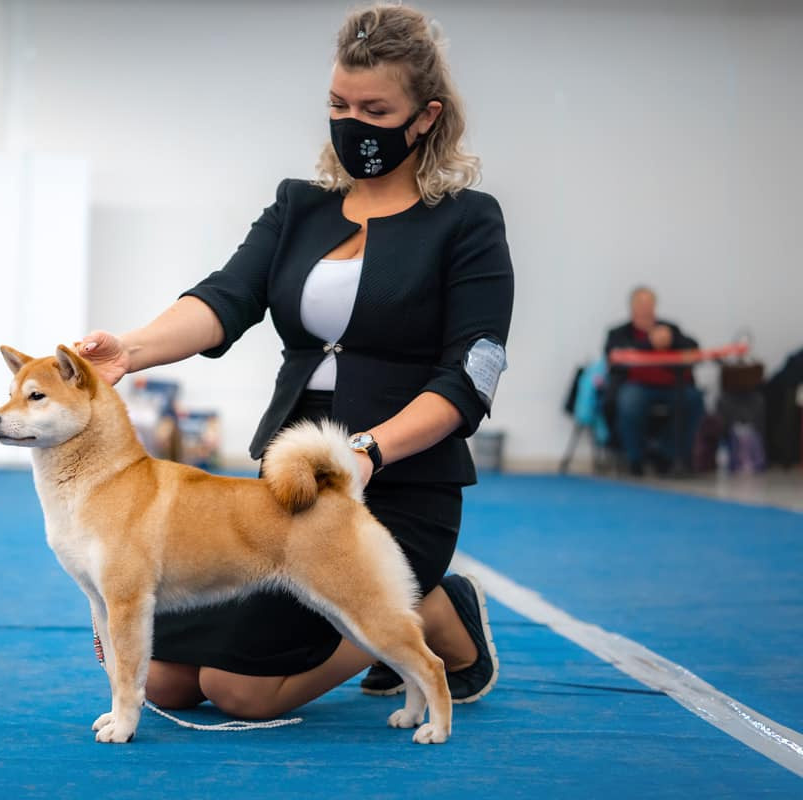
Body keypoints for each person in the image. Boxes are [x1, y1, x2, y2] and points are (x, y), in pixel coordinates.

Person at [77, 3, 514, 719]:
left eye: (375, 108)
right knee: (162, 681)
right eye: (339, 104)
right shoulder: (299, 205)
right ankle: (416, 602)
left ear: (426, 116)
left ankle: (423, 618)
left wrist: (369, 452)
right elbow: (224, 299)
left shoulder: (468, 222)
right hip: (288, 493)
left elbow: (470, 374)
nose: (351, 122)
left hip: (399, 485)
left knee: (238, 691)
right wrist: (131, 348)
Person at [604, 286, 704, 476]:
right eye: (641, 304)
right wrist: (650, 343)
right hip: (636, 386)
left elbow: (693, 347)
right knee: (630, 400)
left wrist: (671, 340)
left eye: (649, 304)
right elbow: (614, 357)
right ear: (632, 307)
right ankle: (635, 458)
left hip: (671, 385)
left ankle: (667, 454)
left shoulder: (669, 329)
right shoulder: (619, 333)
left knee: (693, 399)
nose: (645, 308)